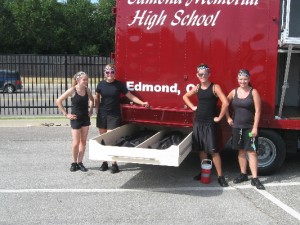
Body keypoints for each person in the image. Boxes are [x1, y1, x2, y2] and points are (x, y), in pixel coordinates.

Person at [95, 64, 149, 173]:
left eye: (112, 72)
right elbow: (97, 98)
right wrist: (97, 110)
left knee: (111, 138)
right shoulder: (100, 84)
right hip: (102, 114)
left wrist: (142, 103)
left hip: (114, 115)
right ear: (104, 74)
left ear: (115, 73)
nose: (110, 74)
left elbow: (131, 96)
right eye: (107, 72)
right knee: (103, 139)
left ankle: (114, 164)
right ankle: (104, 162)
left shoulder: (119, 85)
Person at [183, 64, 229, 187]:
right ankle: (204, 172)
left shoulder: (215, 87)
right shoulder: (197, 87)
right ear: (197, 75)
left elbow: (225, 102)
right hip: (198, 122)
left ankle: (220, 176)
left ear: (209, 74)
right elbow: (185, 96)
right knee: (202, 150)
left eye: (205, 74)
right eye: (200, 74)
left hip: (210, 123)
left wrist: (219, 117)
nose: (202, 76)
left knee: (213, 151)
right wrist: (192, 107)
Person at [226, 69, 265, 190]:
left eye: (245, 79)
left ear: (249, 79)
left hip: (249, 128)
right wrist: (228, 118)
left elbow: (258, 111)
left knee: (252, 152)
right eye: (241, 79)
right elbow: (225, 104)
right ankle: (243, 174)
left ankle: (254, 178)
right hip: (237, 127)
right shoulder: (233, 92)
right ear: (238, 80)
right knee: (241, 152)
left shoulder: (254, 92)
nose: (243, 81)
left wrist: (255, 127)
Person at [56, 71, 94, 172]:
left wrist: (90, 110)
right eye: (84, 79)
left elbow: (91, 99)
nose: (86, 81)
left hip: (85, 119)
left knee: (83, 142)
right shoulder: (73, 90)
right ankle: (74, 162)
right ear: (77, 80)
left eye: (87, 79)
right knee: (76, 142)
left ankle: (80, 162)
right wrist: (66, 114)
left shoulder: (87, 90)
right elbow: (58, 101)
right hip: (75, 119)